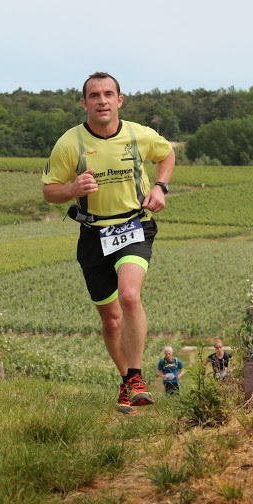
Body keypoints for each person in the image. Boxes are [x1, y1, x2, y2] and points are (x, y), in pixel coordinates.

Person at [42, 72, 175, 415]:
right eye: (94, 95)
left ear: (120, 100)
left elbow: (167, 154)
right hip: (92, 236)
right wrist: (72, 189)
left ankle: (136, 377)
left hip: (135, 226)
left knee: (130, 295)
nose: (102, 100)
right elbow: (48, 191)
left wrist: (160, 187)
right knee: (111, 319)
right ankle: (127, 381)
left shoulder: (137, 135)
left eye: (108, 94)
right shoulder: (69, 143)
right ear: (84, 103)